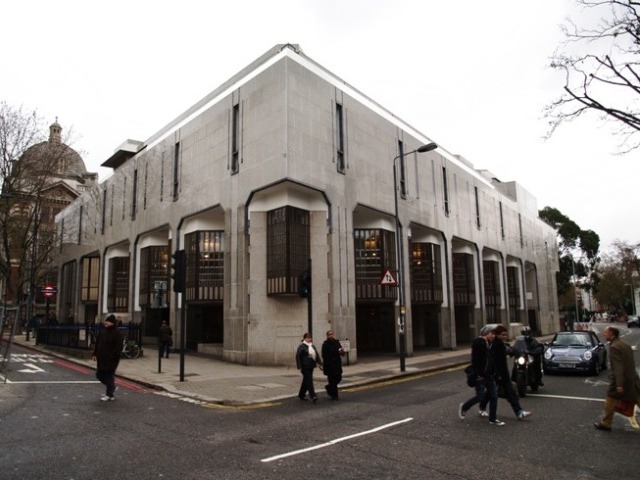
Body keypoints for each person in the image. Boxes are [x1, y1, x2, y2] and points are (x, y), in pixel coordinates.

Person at [479, 324, 531, 420]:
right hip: (497, 375)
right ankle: (518, 411)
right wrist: (498, 375)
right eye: (503, 335)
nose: (505, 336)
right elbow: (493, 363)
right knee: (504, 393)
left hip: (501, 374)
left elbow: (509, 349)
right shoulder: (496, 346)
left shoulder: (500, 344)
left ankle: (518, 412)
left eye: (505, 335)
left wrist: (517, 351)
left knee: (503, 392)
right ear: (497, 335)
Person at [594, 326, 640, 431]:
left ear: (612, 334)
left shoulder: (614, 347)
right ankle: (606, 423)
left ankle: (606, 423)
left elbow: (618, 367)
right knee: (638, 399)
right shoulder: (625, 344)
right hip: (633, 379)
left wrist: (619, 384)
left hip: (621, 381)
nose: (604, 334)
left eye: (606, 333)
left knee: (610, 402)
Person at [458, 325, 504, 425]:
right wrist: (478, 374)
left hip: (489, 375)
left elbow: (491, 360)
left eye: (494, 334)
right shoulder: (478, 344)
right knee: (480, 397)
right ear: (486, 333)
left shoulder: (490, 343)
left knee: (494, 396)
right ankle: (464, 407)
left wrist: (496, 372)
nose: (493, 336)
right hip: (480, 375)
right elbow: (476, 361)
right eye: (492, 333)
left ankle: (493, 419)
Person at [92, 314, 124, 401]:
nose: (105, 323)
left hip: (111, 360)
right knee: (99, 375)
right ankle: (111, 388)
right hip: (101, 359)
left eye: (108, 322)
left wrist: (112, 356)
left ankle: (109, 394)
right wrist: (95, 354)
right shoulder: (103, 332)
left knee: (108, 376)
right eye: (105, 322)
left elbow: (118, 348)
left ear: (112, 323)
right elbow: (97, 344)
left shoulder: (117, 333)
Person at [296, 333, 323, 403]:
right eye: (307, 338)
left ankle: (301, 395)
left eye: (310, 338)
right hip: (305, 367)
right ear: (304, 338)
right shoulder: (302, 346)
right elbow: (298, 356)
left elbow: (316, 355)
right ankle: (313, 395)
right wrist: (299, 367)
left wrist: (320, 364)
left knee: (306, 381)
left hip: (311, 366)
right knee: (309, 381)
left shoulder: (312, 346)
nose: (309, 339)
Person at [321, 330, 345, 400]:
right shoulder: (325, 344)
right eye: (329, 335)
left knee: (338, 378)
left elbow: (341, 352)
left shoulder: (337, 342)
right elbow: (324, 355)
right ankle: (334, 396)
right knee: (332, 381)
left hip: (337, 364)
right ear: (327, 336)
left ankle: (328, 387)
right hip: (329, 366)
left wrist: (342, 352)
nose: (330, 336)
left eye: (331, 334)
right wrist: (328, 363)